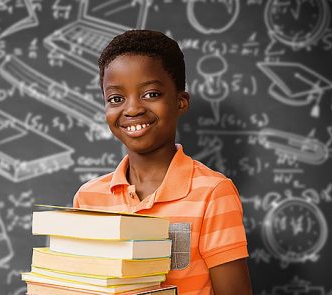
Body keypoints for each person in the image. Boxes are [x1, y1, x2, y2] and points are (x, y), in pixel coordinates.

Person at [73, 30, 252, 295]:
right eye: (116, 99)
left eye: (151, 94)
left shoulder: (213, 193)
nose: (132, 109)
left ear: (180, 102)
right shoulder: (88, 198)